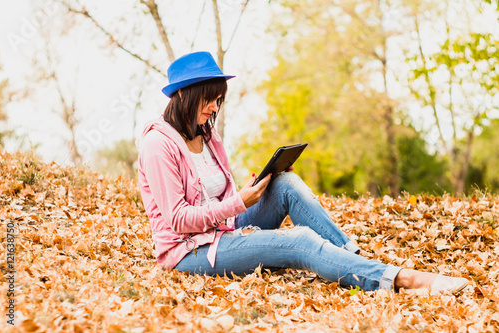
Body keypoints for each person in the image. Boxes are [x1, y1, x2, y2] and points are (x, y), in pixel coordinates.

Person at [136, 51, 468, 293]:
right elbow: (177, 219)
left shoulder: (207, 135)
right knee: (299, 241)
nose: (213, 108)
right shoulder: (158, 144)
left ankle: (353, 259)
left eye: (218, 101)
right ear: (182, 95)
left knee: (286, 183)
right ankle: (402, 279)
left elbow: (217, 195)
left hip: (225, 231)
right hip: (191, 252)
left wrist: (252, 189)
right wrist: (239, 202)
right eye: (208, 100)